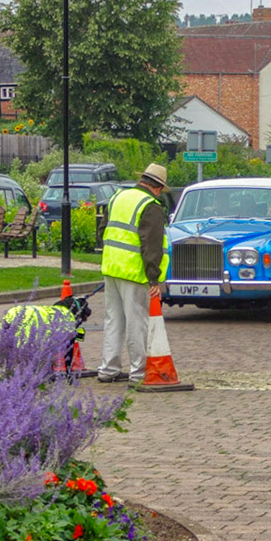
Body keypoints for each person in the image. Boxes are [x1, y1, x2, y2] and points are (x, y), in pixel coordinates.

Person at [97, 163, 172, 384]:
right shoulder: (151, 205)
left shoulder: (118, 197)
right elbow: (151, 244)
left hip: (111, 268)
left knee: (113, 320)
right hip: (134, 271)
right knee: (137, 322)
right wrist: (153, 277)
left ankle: (108, 369)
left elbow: (102, 231)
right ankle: (138, 372)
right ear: (158, 188)